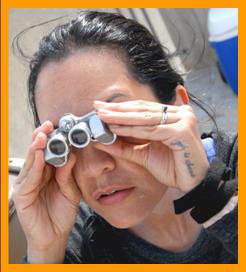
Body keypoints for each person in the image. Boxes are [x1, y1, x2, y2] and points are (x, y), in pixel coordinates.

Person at [12, 10, 238, 264]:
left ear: (176, 107)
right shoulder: (76, 244)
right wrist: (44, 251)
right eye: (65, 142)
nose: (96, 166)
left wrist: (211, 194)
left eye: (112, 124)